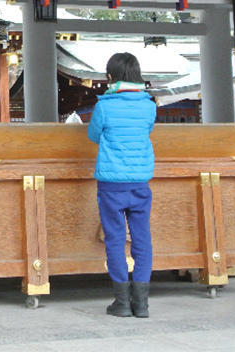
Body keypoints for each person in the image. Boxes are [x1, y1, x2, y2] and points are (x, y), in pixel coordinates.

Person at [87, 52, 157, 318]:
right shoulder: (149, 105)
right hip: (140, 181)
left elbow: (94, 135)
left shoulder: (104, 106)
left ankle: (122, 303)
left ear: (109, 77)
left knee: (115, 240)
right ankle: (142, 304)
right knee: (142, 240)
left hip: (111, 183)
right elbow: (146, 130)